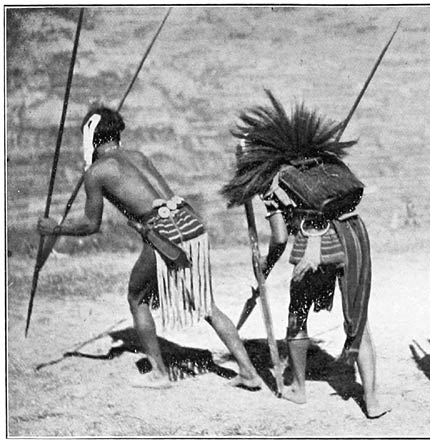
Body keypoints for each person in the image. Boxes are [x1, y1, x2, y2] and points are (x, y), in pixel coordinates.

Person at [37, 105, 262, 390]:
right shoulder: (138, 156)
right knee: (205, 304)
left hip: (165, 233)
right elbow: (159, 201)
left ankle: (159, 372)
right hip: (190, 223)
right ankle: (249, 371)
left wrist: (56, 228)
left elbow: (91, 225)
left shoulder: (96, 172)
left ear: (91, 138)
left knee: (137, 298)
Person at [221, 91, 389, 418]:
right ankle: (372, 398)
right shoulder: (320, 160)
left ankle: (298, 388)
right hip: (353, 236)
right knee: (359, 318)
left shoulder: (272, 181)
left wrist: (265, 269)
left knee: (298, 314)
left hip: (315, 243)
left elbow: (280, 238)